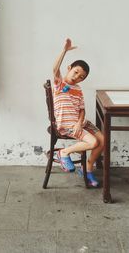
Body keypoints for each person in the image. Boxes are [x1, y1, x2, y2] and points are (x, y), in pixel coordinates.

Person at [52, 38, 104, 187]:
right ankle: (64, 152)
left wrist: (80, 122)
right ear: (69, 68)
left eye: (81, 77)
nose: (76, 78)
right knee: (93, 142)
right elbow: (55, 69)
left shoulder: (78, 89)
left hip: (79, 122)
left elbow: (82, 109)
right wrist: (64, 51)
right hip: (67, 124)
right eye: (75, 72)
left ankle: (86, 169)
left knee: (102, 141)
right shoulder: (60, 84)